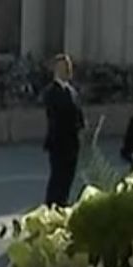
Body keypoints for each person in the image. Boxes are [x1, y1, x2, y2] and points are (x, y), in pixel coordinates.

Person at [41, 54, 85, 206]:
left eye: (68, 67)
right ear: (55, 70)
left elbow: (78, 113)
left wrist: (82, 127)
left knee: (68, 179)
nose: (66, 70)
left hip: (72, 143)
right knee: (57, 179)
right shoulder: (51, 92)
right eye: (62, 67)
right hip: (59, 143)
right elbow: (56, 116)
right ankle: (51, 209)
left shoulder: (72, 91)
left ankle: (62, 205)